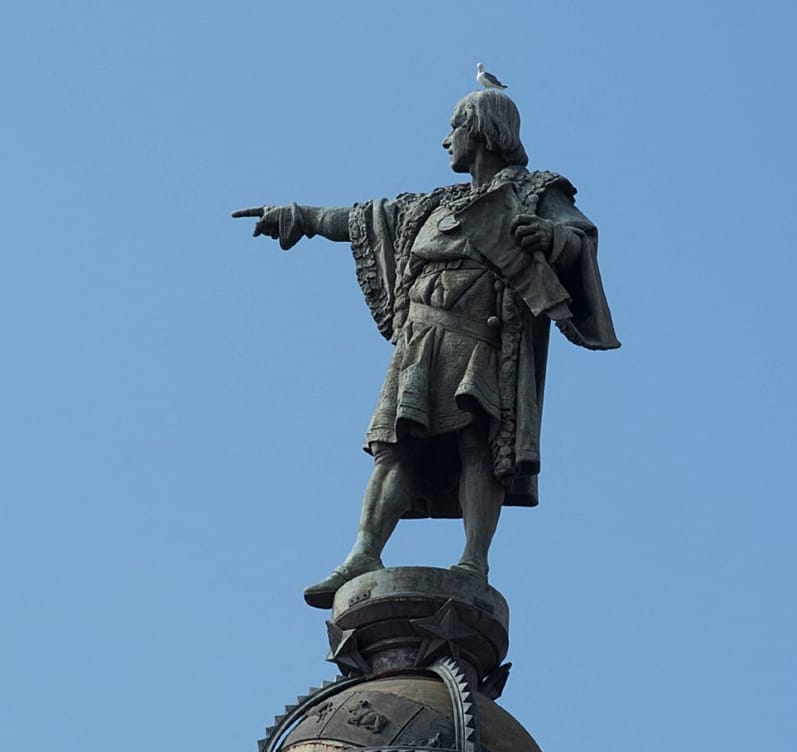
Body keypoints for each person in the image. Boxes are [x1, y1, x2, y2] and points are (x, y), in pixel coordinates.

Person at [234, 89, 619, 608]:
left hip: (482, 338)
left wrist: (549, 237)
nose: (445, 141)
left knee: (477, 444)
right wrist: (299, 216)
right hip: (419, 343)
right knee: (394, 447)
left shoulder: (534, 193)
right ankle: (363, 554)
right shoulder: (430, 206)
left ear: (480, 129)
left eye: (453, 129)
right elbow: (361, 220)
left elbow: (579, 236)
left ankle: (473, 562)